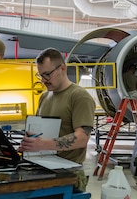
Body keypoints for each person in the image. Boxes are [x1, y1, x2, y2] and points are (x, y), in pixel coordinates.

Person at [18, 47, 96, 192]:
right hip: (43, 168)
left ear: (62, 68)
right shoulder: (44, 97)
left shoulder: (79, 96)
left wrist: (43, 145)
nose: (43, 80)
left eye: (47, 74)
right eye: (40, 75)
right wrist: (28, 145)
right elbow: (37, 130)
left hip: (69, 175)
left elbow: (82, 138)